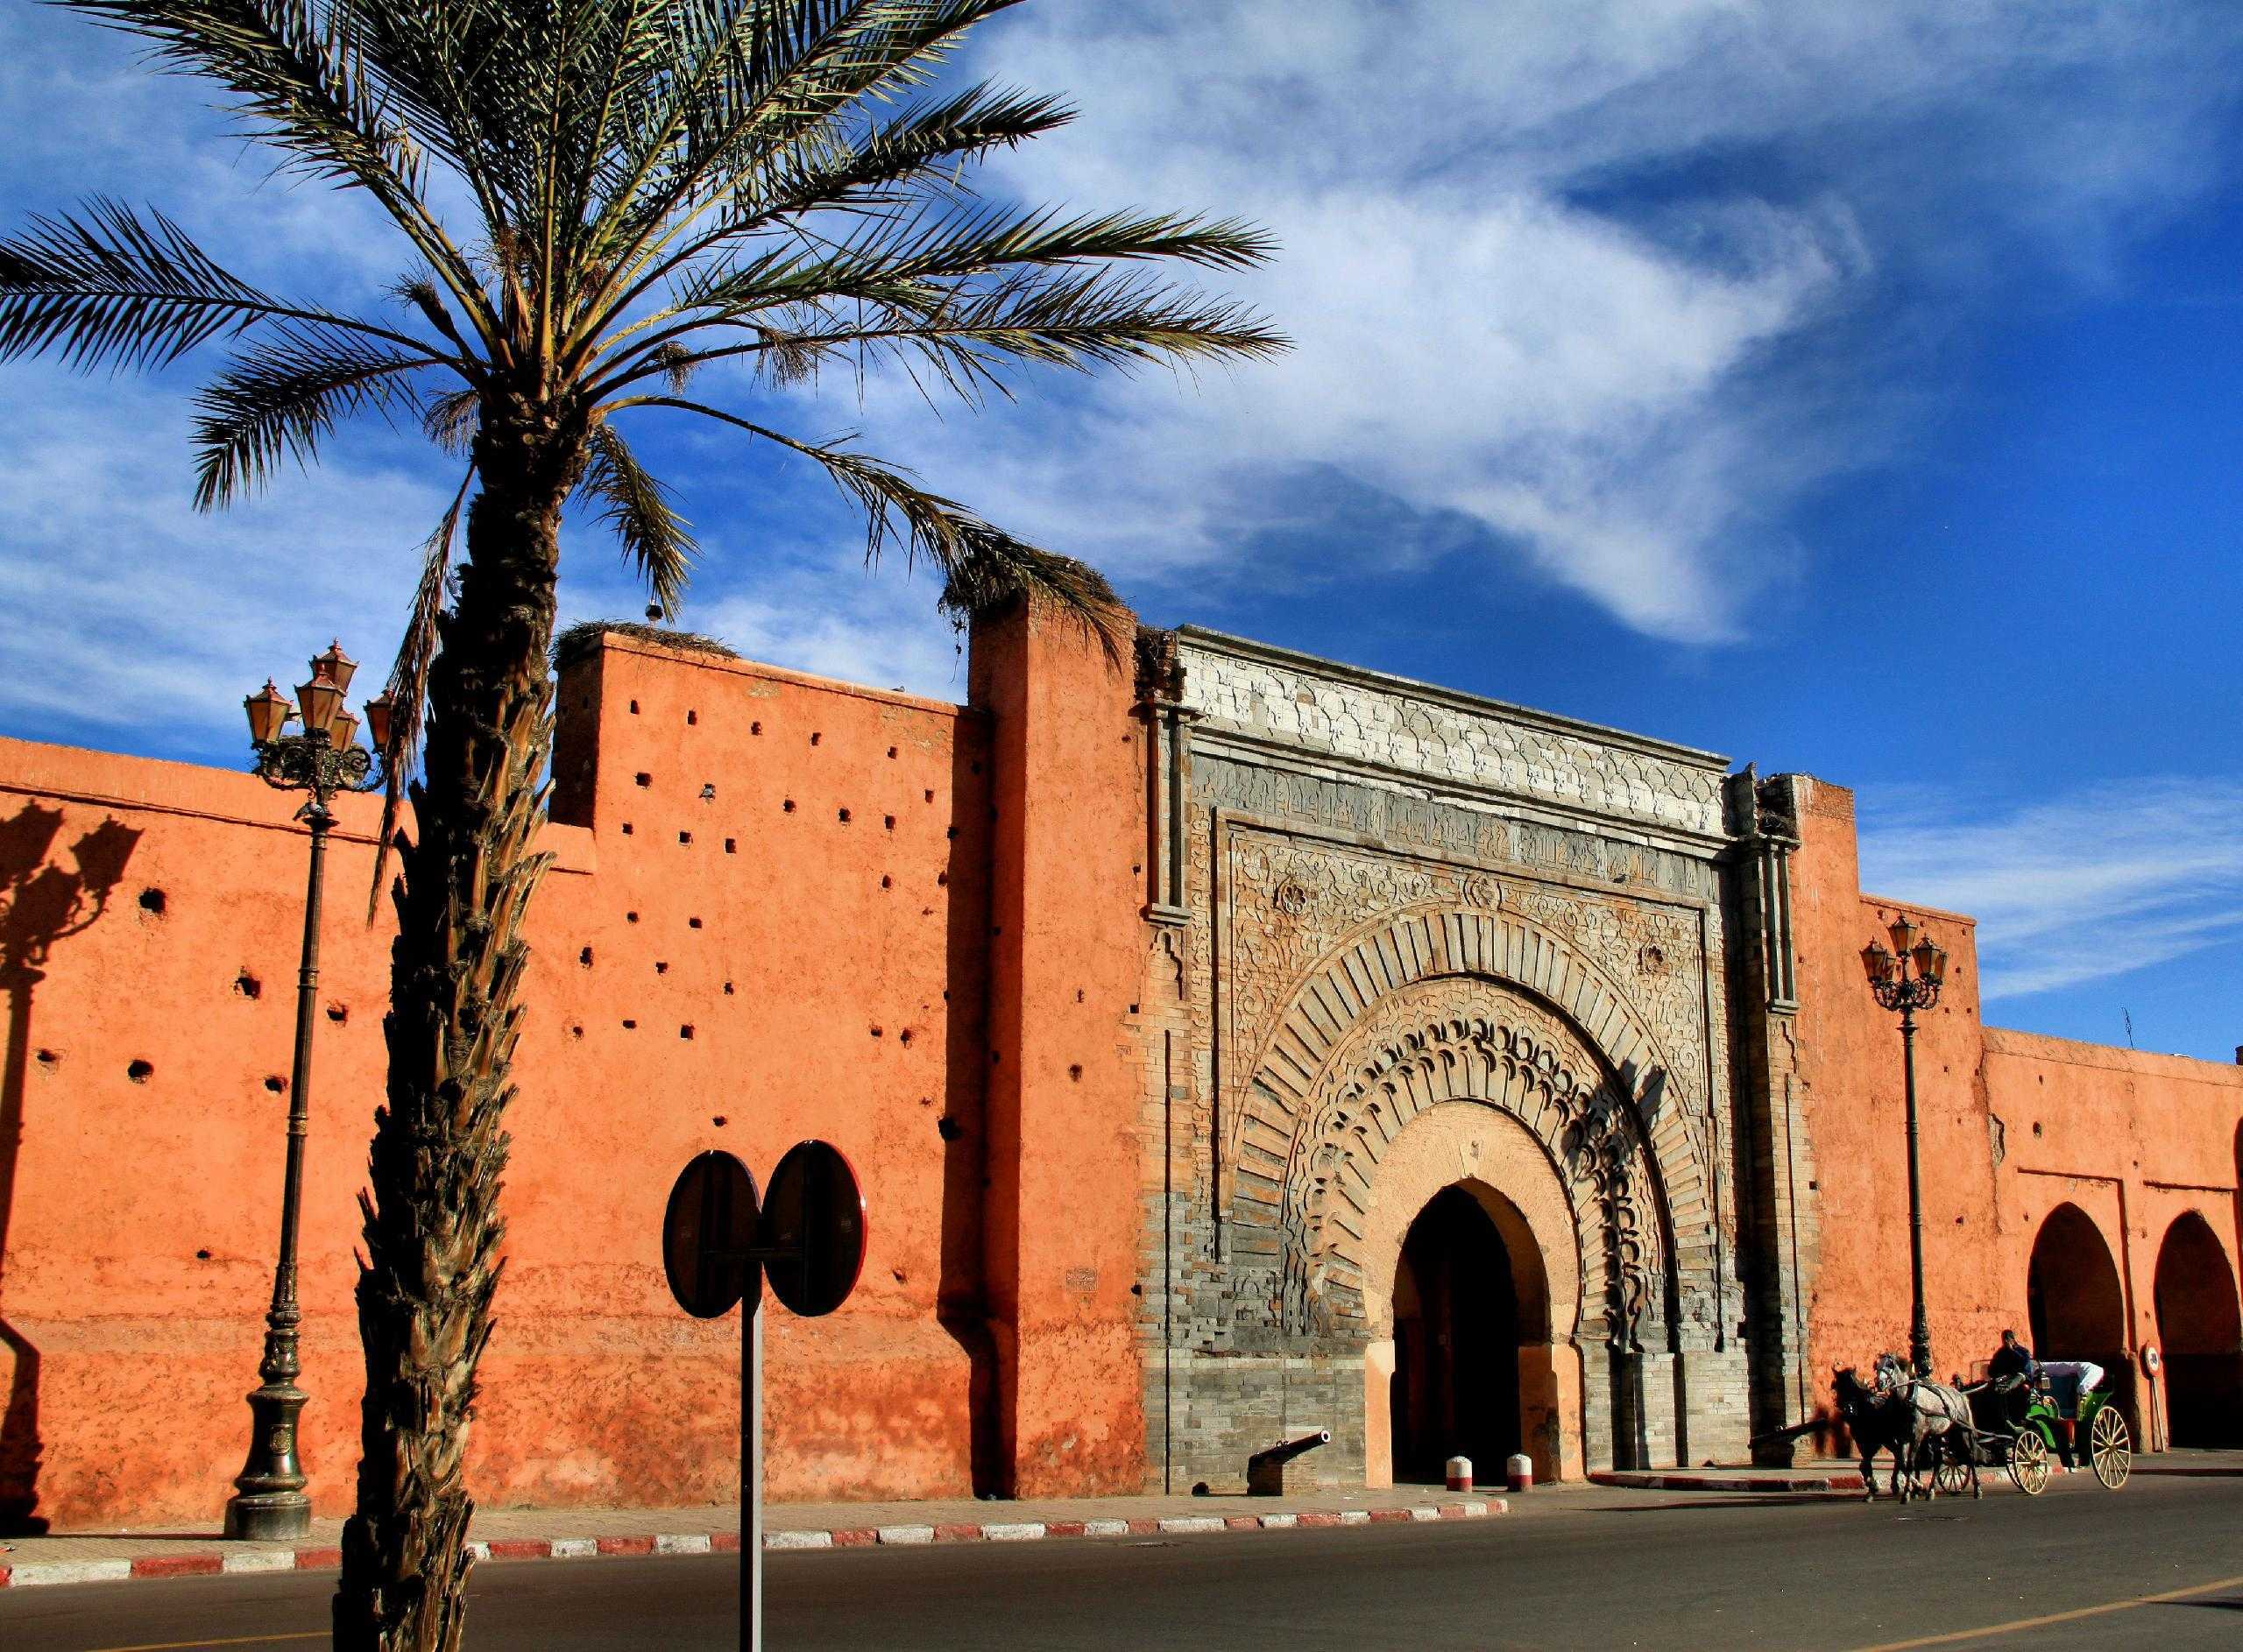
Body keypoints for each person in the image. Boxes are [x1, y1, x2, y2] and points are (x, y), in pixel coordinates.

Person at [2035, 1359, 2106, 1471]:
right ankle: (2068, 1462)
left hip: (2078, 1399)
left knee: (2084, 1426)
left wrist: (2082, 1390)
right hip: (2053, 1404)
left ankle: (2083, 1460)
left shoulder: (2088, 1371)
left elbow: (2083, 1387)